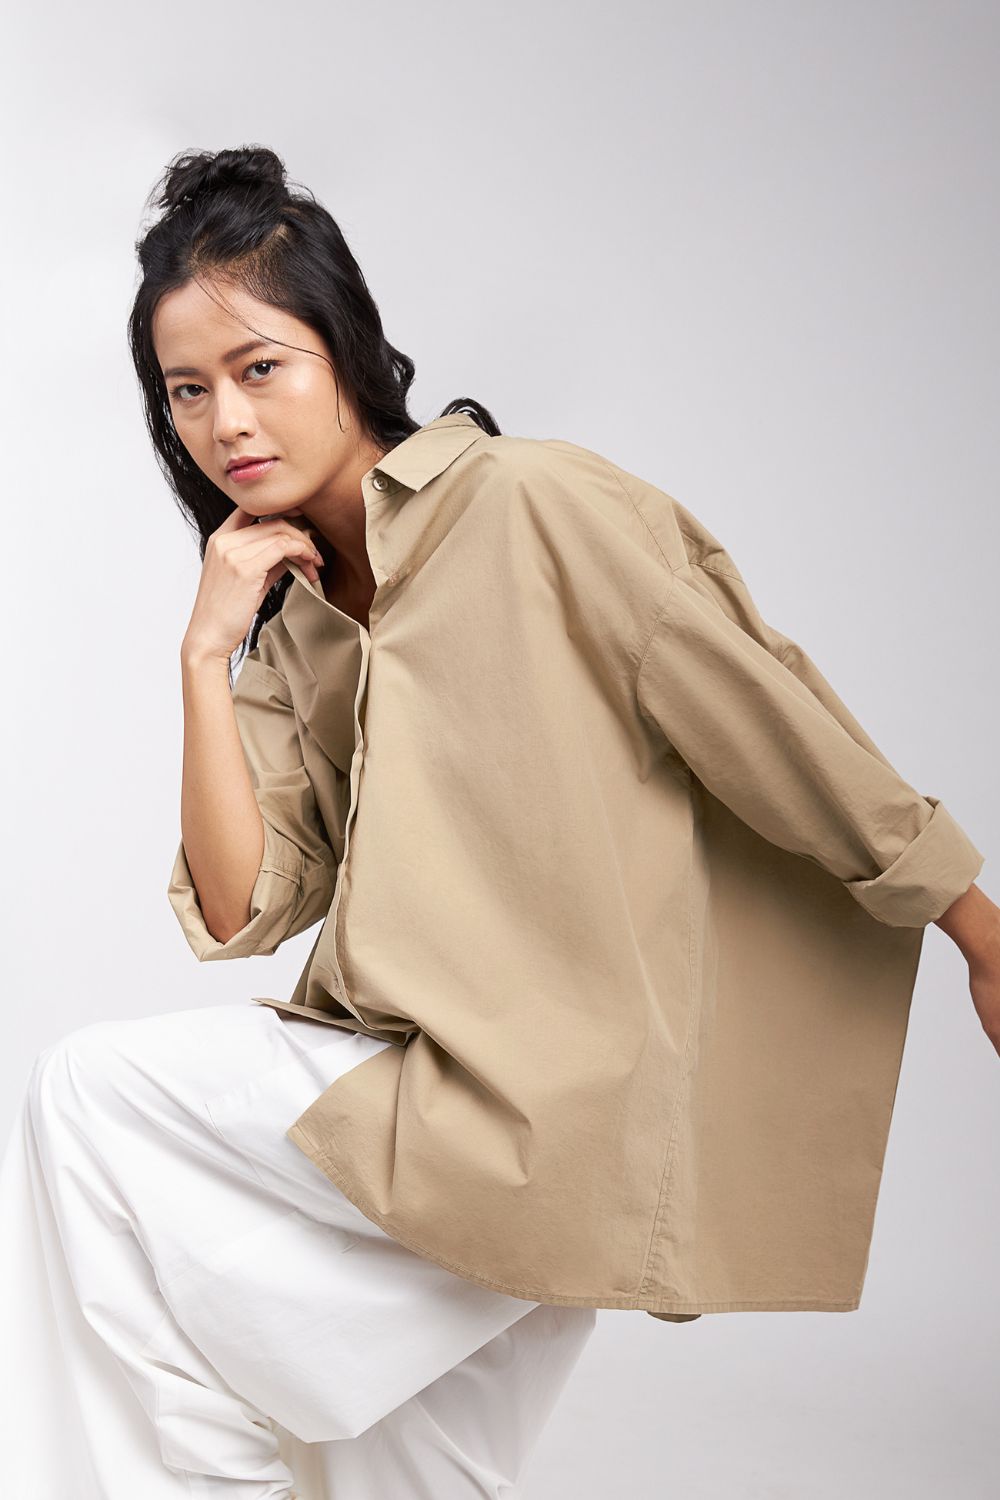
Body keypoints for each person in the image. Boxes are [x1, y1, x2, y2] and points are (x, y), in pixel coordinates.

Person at [1, 142, 996, 1499]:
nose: (226, 421)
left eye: (260, 368)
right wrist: (203, 658)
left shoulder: (530, 504)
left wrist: (975, 926)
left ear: (346, 352)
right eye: (187, 390)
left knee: (89, 1097)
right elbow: (240, 909)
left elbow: (765, 717)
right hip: (424, 1128)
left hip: (533, 1113)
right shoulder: (290, 622)